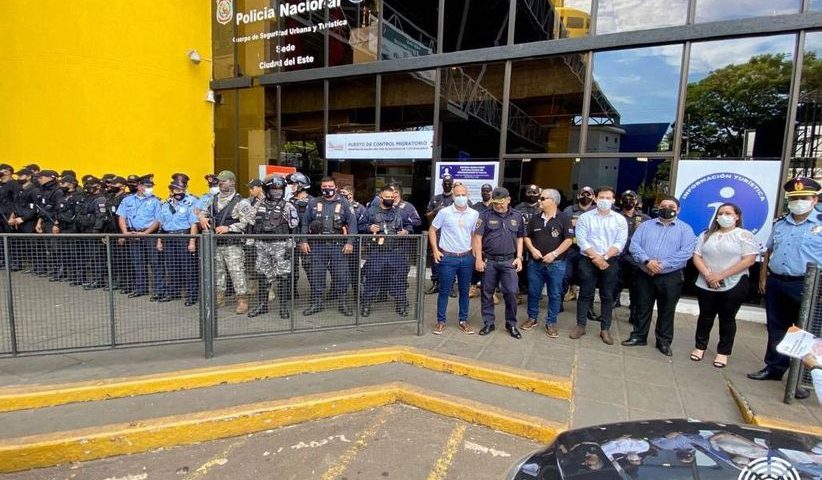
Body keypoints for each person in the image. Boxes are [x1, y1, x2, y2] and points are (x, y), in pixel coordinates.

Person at [748, 177, 821, 401]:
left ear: (814, 199)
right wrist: (763, 278)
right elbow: (768, 251)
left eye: (803, 198)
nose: (798, 202)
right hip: (778, 281)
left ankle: (802, 378)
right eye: (794, 198)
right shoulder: (780, 223)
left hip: (808, 284)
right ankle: (774, 368)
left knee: (807, 332)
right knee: (777, 328)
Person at [623, 196, 696, 356]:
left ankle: (663, 341)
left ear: (678, 210)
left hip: (670, 276)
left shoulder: (685, 229)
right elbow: (634, 245)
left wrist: (661, 265)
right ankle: (639, 336)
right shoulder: (645, 225)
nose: (666, 209)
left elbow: (686, 252)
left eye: (671, 206)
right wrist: (647, 261)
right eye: (663, 206)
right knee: (642, 306)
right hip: (645, 273)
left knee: (666, 309)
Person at [691, 203, 758, 368]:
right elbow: (697, 256)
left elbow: (749, 260)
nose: (723, 216)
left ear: (737, 217)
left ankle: (723, 352)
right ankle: (700, 347)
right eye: (720, 213)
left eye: (728, 213)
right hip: (706, 282)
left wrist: (720, 275)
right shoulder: (706, 235)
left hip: (734, 283)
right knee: (705, 316)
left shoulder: (744, 235)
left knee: (727, 318)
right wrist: (708, 275)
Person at [572, 186, 627, 345]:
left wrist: (605, 257)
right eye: (602, 197)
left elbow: (620, 242)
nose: (604, 200)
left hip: (610, 260)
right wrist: (596, 257)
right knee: (585, 293)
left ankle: (605, 329)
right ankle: (581, 325)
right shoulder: (585, 217)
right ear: (595, 199)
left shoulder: (619, 219)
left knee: (607, 295)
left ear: (614, 200)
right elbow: (581, 240)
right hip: (588, 259)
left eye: (608, 198)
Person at [300, 176, 357, 316]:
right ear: (321, 188)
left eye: (330, 187)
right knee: (317, 275)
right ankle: (317, 303)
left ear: (336, 187)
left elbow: (352, 224)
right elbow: (305, 223)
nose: (327, 189)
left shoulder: (344, 203)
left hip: (338, 246)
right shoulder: (313, 202)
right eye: (324, 187)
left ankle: (342, 303)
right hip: (318, 246)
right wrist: (304, 241)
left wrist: (350, 242)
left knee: (341, 275)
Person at [472, 187, 525, 339]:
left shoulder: (517, 215)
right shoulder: (485, 215)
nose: (498, 206)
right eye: (495, 203)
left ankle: (511, 324)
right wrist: (478, 259)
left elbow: (520, 237)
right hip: (490, 261)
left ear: (508, 200)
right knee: (487, 293)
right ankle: (489, 322)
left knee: (511, 292)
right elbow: (477, 238)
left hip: (509, 261)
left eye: (501, 202)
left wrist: (519, 257)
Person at [521, 188, 574, 338]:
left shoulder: (564, 218)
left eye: (543, 198)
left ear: (553, 201)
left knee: (555, 294)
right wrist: (532, 249)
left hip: (556, 264)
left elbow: (569, 240)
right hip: (535, 264)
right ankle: (532, 318)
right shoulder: (535, 218)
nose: (540, 201)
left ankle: (551, 323)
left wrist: (554, 254)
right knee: (533, 292)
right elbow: (527, 236)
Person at [201, 170, 255, 314]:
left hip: (233, 244)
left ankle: (242, 300)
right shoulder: (213, 199)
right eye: (219, 181)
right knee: (217, 272)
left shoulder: (241, 202)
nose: (220, 183)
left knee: (236, 272)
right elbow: (201, 212)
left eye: (224, 181)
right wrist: (202, 218)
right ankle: (219, 297)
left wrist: (229, 228)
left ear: (232, 182)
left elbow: (249, 221)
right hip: (216, 243)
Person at [429, 183, 479, 334]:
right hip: (448, 259)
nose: (461, 197)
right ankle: (441, 321)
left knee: (464, 291)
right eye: (458, 195)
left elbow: (474, 236)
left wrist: (476, 256)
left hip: (466, 258)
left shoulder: (474, 214)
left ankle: (463, 320)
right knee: (444, 290)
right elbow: (432, 230)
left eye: (463, 195)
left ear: (468, 195)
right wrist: (435, 250)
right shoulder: (444, 212)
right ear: (452, 196)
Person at [358, 185, 415, 317]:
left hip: (396, 252)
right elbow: (360, 225)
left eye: (392, 197)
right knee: (372, 278)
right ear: (380, 197)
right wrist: (369, 228)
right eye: (387, 197)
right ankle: (366, 305)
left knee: (399, 280)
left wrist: (406, 231)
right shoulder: (371, 211)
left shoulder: (400, 212)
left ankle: (401, 304)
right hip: (377, 252)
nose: (390, 199)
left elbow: (410, 225)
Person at [248, 175, 299, 319]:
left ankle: (283, 307)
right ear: (267, 189)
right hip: (261, 245)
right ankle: (263, 305)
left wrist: (290, 248)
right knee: (263, 275)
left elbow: (294, 228)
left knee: (283, 276)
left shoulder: (288, 206)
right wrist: (250, 244)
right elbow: (251, 224)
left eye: (280, 189)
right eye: (274, 189)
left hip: (281, 245)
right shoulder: (258, 205)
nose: (277, 192)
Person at [116, 175, 163, 299]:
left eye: (151, 186)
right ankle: (141, 288)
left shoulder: (155, 201)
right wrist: (125, 232)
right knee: (137, 263)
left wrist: (146, 233)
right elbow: (122, 217)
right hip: (133, 234)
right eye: (147, 186)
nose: (150, 188)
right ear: (139, 186)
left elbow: (158, 220)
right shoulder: (127, 200)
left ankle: (158, 290)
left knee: (155, 263)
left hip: (150, 235)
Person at [156, 177, 199, 305]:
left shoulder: (190, 203)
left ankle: (192, 295)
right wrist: (159, 240)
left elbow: (193, 224)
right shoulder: (166, 204)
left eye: (181, 190)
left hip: (183, 237)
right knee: (172, 267)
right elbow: (161, 224)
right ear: (171, 191)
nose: (179, 192)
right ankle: (173, 292)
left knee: (188, 268)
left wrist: (192, 242)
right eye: (176, 190)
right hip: (168, 238)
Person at [614, 190, 650, 322]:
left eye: (631, 199)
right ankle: (609, 310)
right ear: (621, 201)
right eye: (626, 198)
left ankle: (634, 314)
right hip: (618, 256)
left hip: (636, 258)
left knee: (636, 288)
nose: (628, 201)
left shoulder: (645, 219)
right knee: (615, 284)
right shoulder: (615, 217)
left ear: (636, 201)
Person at [562, 186, 596, 305]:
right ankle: (558, 303)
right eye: (583, 194)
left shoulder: (597, 211)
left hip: (589, 250)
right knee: (565, 275)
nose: (585, 197)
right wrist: (570, 224)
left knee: (587, 278)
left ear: (593, 197)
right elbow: (561, 226)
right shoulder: (569, 210)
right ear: (578, 196)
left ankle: (587, 306)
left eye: (588, 195)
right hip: (570, 248)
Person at [425, 174, 457, 295]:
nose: (447, 185)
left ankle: (450, 286)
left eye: (449, 183)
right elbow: (427, 216)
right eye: (445, 183)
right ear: (442, 184)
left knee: (451, 259)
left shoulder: (456, 199)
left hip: (451, 234)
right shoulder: (436, 198)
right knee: (435, 259)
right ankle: (436, 284)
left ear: (452, 185)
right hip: (437, 233)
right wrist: (435, 210)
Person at [76, 178, 110, 290]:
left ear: (98, 186)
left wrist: (97, 230)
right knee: (91, 256)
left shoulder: (100, 199)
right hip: (85, 229)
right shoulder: (88, 197)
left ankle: (98, 280)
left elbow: (101, 217)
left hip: (94, 231)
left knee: (97, 257)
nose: (88, 187)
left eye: (91, 185)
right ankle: (95, 279)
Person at [468, 183, 498, 303]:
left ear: (491, 192)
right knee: (475, 264)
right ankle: (473, 286)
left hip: (491, 240)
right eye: (483, 191)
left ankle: (492, 292)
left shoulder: (495, 206)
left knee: (491, 268)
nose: (485, 193)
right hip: (477, 239)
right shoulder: (475, 207)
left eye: (487, 191)